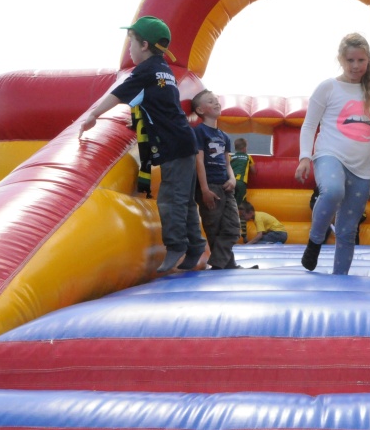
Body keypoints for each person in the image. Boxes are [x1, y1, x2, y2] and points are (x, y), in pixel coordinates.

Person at [78, 16, 206, 273]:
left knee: (170, 199)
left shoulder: (145, 71)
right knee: (185, 200)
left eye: (131, 44)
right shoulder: (164, 70)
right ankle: (195, 247)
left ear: (144, 45)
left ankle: (176, 247)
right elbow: (155, 105)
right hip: (183, 141)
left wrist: (93, 115)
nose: (129, 50)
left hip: (174, 145)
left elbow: (118, 94)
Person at [294, 33, 370, 275]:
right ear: (341, 60)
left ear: (368, 60)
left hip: (362, 165)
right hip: (329, 153)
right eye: (350, 60)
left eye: (361, 60)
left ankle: (339, 280)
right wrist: (304, 156)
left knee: (347, 230)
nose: (355, 66)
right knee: (333, 190)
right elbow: (309, 124)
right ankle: (315, 240)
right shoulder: (328, 87)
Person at [192, 89, 256, 270]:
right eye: (210, 101)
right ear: (200, 110)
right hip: (210, 186)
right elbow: (199, 161)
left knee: (233, 227)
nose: (216, 103)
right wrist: (204, 189)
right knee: (214, 228)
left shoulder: (224, 136)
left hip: (226, 186)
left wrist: (233, 180)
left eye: (216, 100)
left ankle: (218, 263)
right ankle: (228, 265)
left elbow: (227, 163)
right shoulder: (200, 132)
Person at [230, 137, 255, 242]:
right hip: (241, 184)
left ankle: (229, 231)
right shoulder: (248, 157)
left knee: (231, 208)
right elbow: (254, 170)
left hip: (231, 183)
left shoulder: (231, 157)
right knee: (242, 208)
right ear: (244, 148)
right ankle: (243, 234)